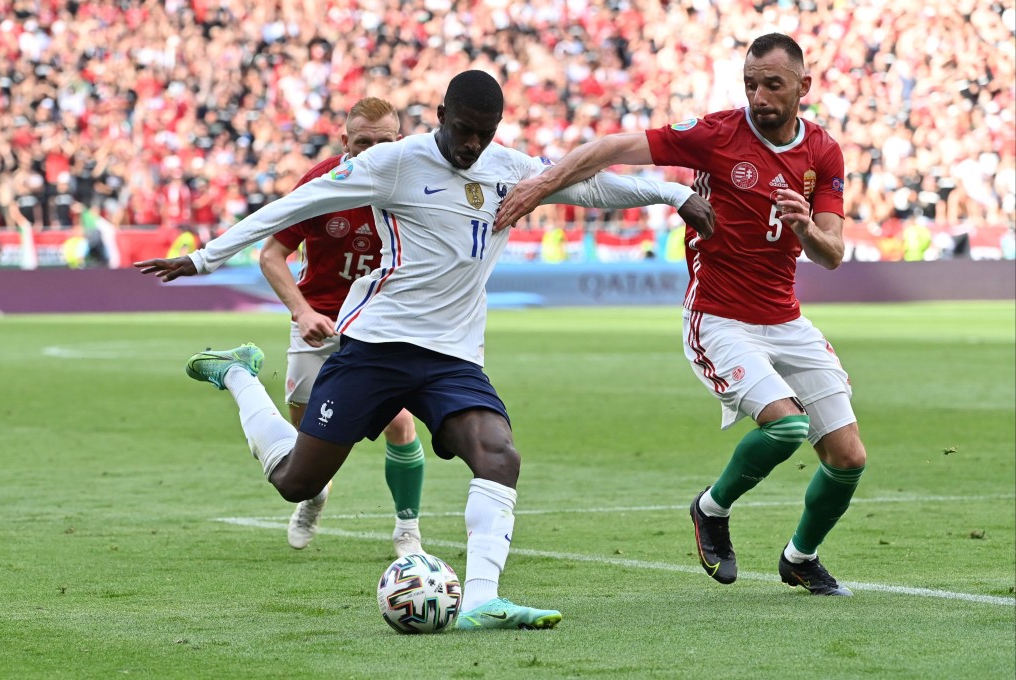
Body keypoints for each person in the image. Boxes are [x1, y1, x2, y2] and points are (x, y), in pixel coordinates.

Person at [135, 69, 715, 629]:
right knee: (297, 482)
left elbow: (587, 184)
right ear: (440, 116)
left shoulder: (507, 166)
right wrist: (204, 256)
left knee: (499, 456)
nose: (470, 143)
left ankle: (482, 602)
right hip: (376, 346)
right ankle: (238, 376)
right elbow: (295, 205)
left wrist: (670, 192)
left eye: (483, 133)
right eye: (462, 128)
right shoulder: (394, 162)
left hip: (453, 356)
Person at [494, 34, 867, 596]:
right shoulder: (718, 134)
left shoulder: (824, 152)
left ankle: (799, 557)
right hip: (720, 318)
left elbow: (832, 254)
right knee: (786, 426)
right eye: (750, 85)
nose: (759, 97)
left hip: (786, 319)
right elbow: (614, 147)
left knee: (848, 457)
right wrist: (544, 183)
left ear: (803, 88)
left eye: (773, 85)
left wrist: (806, 228)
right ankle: (711, 510)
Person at [258, 97, 427, 554]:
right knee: (307, 438)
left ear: (401, 141)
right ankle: (315, 495)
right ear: (344, 141)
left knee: (399, 420)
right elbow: (271, 254)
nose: (373, 151)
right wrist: (302, 311)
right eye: (363, 142)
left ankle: (407, 528)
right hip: (319, 319)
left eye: (384, 142)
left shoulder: (417, 183)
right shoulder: (321, 183)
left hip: (380, 322)